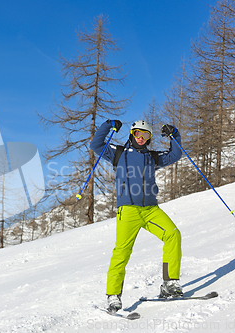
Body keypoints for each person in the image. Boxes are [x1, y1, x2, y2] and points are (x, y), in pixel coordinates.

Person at [89, 119, 183, 312]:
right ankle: (113, 295)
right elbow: (96, 144)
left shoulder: (152, 157)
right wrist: (108, 125)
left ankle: (169, 283)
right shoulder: (118, 153)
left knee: (173, 234)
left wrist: (174, 133)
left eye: (146, 135)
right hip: (128, 211)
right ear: (132, 134)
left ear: (149, 138)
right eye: (138, 134)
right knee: (122, 252)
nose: (141, 138)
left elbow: (175, 154)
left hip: (150, 210)